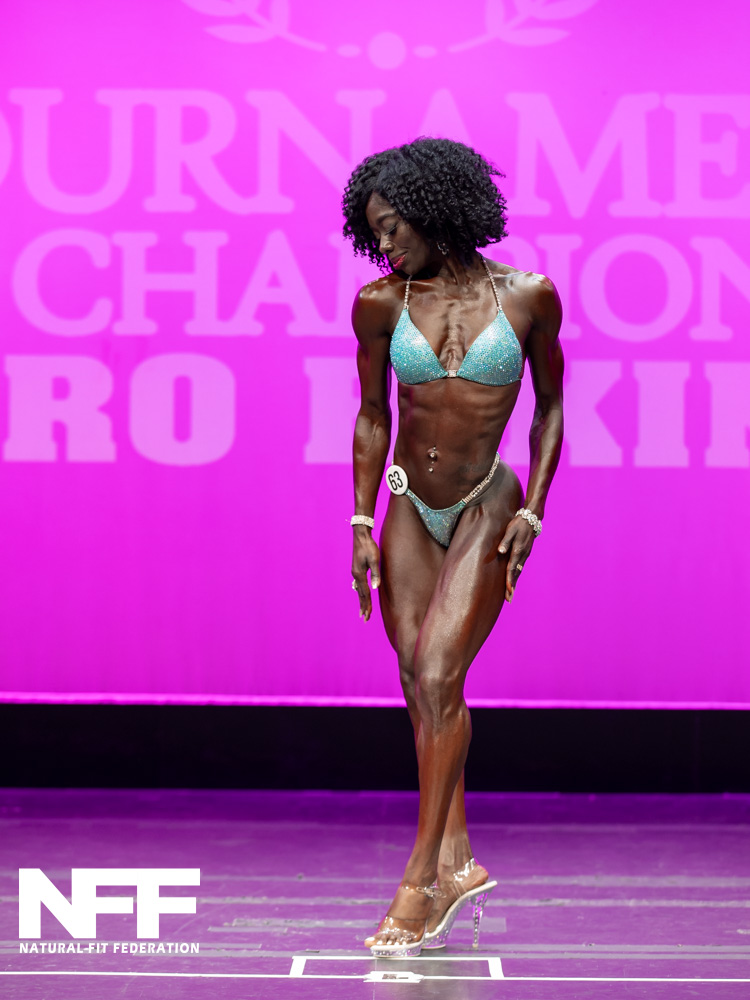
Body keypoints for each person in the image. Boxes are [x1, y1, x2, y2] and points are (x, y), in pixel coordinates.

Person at [343, 137, 564, 958]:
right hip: (408, 503)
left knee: (439, 675)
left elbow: (550, 409)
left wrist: (533, 511)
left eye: (393, 226)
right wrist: (360, 523)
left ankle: (421, 883)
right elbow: (373, 415)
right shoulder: (379, 303)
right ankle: (460, 859)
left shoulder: (529, 296)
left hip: (486, 502)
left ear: (435, 210)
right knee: (419, 683)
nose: (384, 244)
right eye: (374, 232)